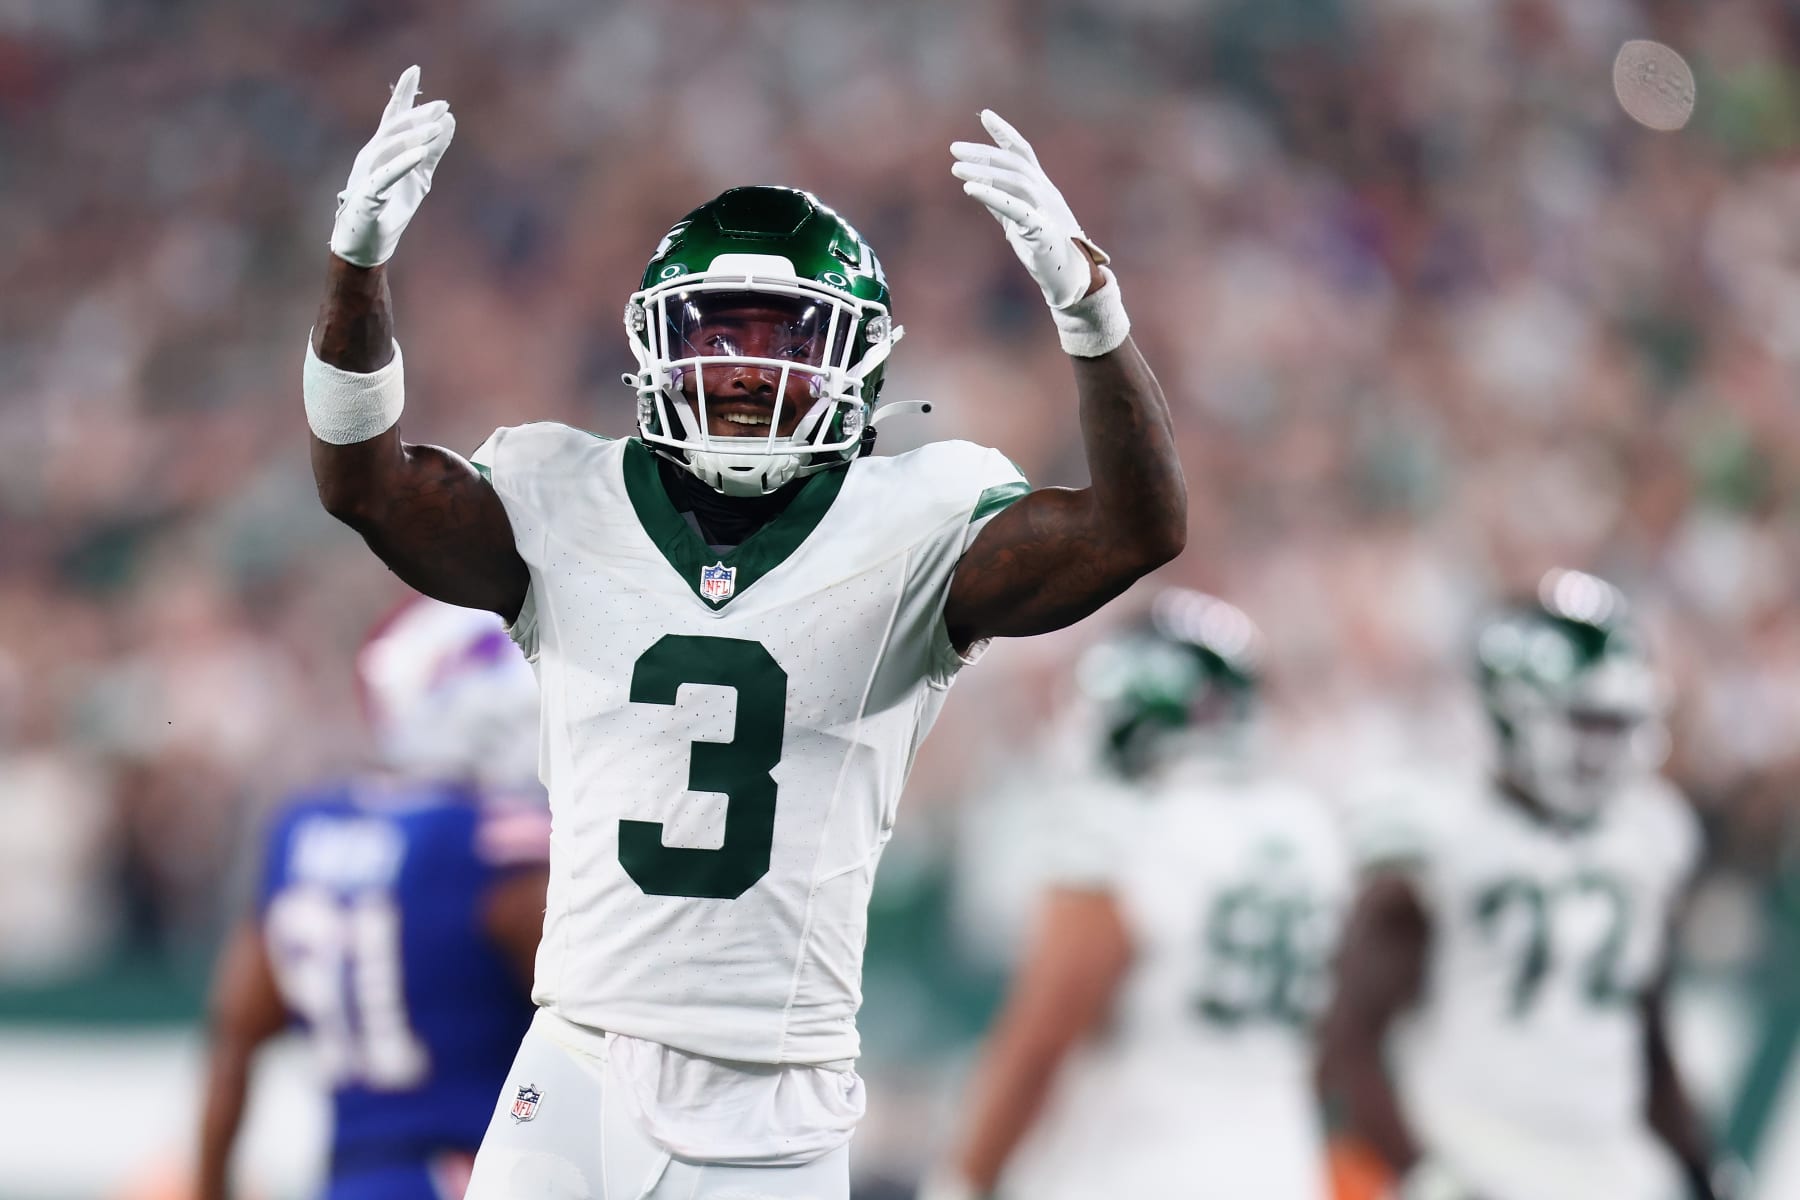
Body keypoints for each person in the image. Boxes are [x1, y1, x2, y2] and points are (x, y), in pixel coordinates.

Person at [301, 66, 1185, 1200]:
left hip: (782, 1094)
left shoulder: (916, 521)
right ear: (656, 346)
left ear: (857, 361)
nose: (747, 372)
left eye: (786, 339)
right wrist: (355, 267)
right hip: (578, 1059)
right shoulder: (560, 493)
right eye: (719, 337)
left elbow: (1137, 528)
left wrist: (1092, 315)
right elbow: (362, 486)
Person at [1318, 569, 1748, 1200]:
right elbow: (1348, 1043)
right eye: (1584, 723)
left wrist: (1701, 1167)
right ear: (1511, 713)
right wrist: (1425, 1173)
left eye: (1616, 725)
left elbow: (1645, 1038)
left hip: (1610, 1171)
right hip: (1476, 1159)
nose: (1603, 750)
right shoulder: (1437, 837)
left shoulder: (1648, 835)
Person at [922, 590, 1347, 1200]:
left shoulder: (1122, 828)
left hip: (1143, 1167)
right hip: (1286, 1163)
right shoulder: (1308, 828)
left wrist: (958, 1184)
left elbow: (1042, 1037)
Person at [196, 597, 551, 1200]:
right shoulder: (492, 847)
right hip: (476, 1175)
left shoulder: (305, 828)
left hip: (349, 1180)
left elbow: (234, 1039)